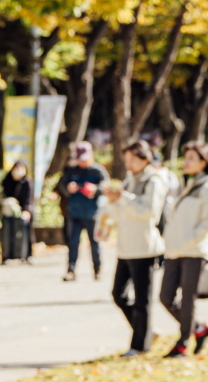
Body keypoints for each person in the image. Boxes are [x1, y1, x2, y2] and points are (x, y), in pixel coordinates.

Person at [104, 140, 167, 357]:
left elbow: (149, 212)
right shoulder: (129, 181)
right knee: (118, 294)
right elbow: (121, 211)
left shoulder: (154, 180)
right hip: (125, 247)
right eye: (126, 159)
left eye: (132, 159)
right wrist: (113, 201)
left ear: (145, 158)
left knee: (143, 299)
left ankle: (140, 345)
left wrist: (124, 198)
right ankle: (146, 331)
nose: (128, 164)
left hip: (145, 248)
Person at [160, 141, 208, 358]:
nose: (186, 162)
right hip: (175, 250)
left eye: (192, 159)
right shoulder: (184, 184)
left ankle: (183, 342)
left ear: (204, 162)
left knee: (188, 298)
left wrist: (190, 239)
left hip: (194, 251)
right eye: (185, 158)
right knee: (166, 296)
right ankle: (199, 328)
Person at [58, 141, 108, 282]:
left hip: (93, 213)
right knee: (73, 243)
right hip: (74, 213)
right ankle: (71, 270)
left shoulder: (98, 171)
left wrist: (95, 190)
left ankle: (97, 269)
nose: (83, 162)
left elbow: (106, 188)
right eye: (80, 159)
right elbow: (61, 186)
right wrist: (68, 188)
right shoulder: (71, 170)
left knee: (95, 243)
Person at [0, 161, 33, 264]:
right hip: (9, 210)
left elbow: (29, 199)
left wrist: (26, 211)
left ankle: (27, 255)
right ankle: (7, 255)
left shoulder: (27, 182)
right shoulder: (7, 180)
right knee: (7, 233)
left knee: (27, 233)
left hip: (24, 210)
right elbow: (4, 194)